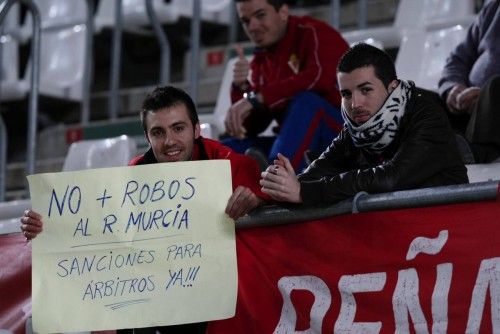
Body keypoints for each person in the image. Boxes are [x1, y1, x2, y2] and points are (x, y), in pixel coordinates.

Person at [21, 86, 268, 333]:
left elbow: (273, 211)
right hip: (162, 293)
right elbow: (97, 228)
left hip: (222, 299)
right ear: (147, 137)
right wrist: (47, 227)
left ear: (196, 130)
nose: (170, 141)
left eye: (178, 128)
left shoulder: (229, 164)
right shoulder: (135, 172)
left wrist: (256, 200)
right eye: (158, 132)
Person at [260, 43, 468, 205]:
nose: (355, 104)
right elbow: (315, 172)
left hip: (449, 231)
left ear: (392, 87)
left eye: (366, 90)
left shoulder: (427, 113)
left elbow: (391, 178)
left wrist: (304, 192)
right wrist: (272, 194)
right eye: (346, 94)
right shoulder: (357, 127)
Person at [223, 0, 349, 172]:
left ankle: (276, 181)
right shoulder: (262, 59)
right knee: (225, 151)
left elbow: (318, 79)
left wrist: (258, 97)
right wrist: (241, 88)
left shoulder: (313, 32)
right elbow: (254, 126)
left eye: (260, 15)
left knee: (307, 102)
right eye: (245, 21)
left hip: (345, 139)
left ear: (283, 12)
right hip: (296, 147)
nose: (252, 27)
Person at [438, 0, 500, 163]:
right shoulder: (493, 7)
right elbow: (457, 60)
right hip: (467, 110)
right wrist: (453, 88)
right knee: (417, 97)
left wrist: (485, 98)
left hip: (494, 111)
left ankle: (478, 152)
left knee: (494, 89)